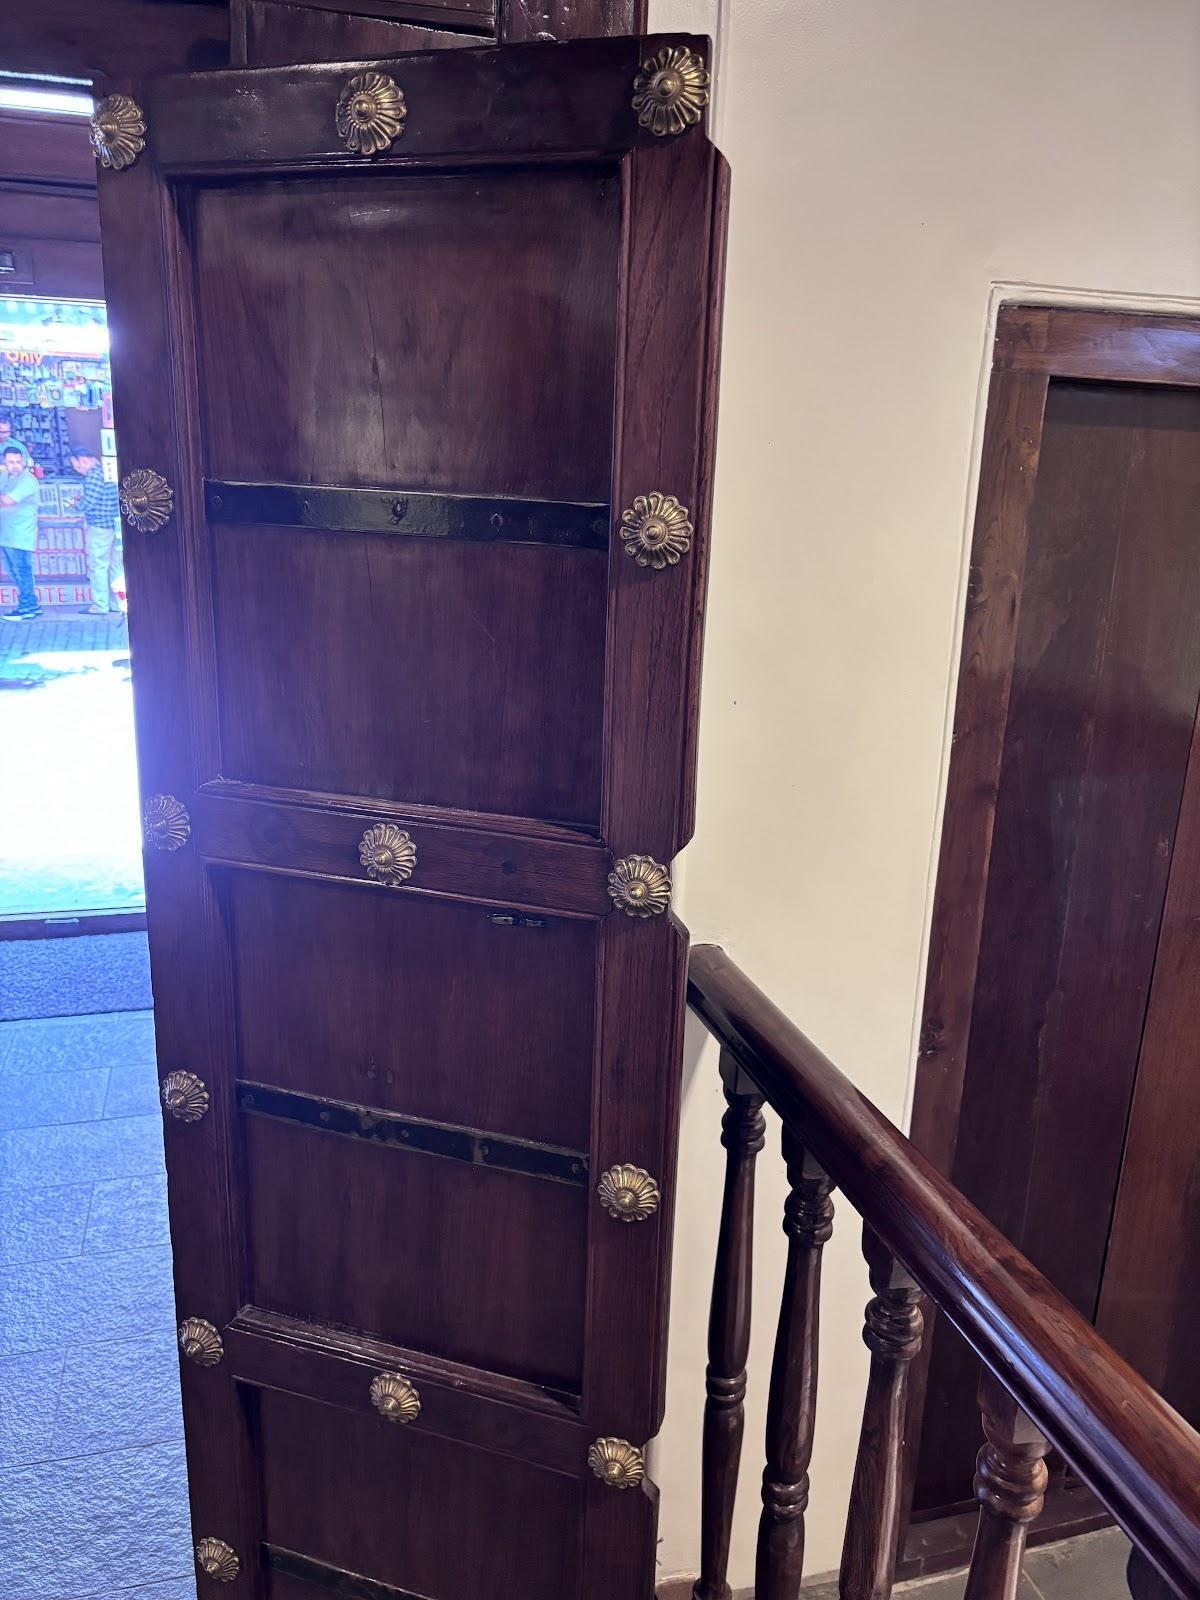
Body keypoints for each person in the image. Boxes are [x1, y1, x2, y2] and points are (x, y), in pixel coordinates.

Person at [70, 449, 123, 615]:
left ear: (84, 460)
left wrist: (75, 504)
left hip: (100, 527)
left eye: (77, 466)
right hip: (115, 525)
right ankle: (117, 603)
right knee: (115, 566)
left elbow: (89, 503)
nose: (78, 469)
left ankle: (100, 605)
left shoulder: (94, 475)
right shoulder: (108, 471)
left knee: (98, 566)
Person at [0, 442, 42, 621]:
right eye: (11, 462)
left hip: (20, 535)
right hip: (6, 534)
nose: (15, 465)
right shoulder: (5, 477)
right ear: (4, 462)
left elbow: (8, 500)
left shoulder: (28, 480)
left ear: (23, 461)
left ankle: (27, 607)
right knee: (14, 571)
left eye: (18, 461)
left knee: (21, 571)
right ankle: (31, 604)